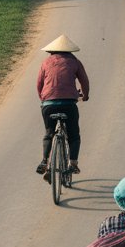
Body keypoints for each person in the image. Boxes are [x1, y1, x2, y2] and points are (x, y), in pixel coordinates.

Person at [35, 33, 89, 177]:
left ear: (51, 51)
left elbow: (39, 85)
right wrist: (86, 96)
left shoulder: (46, 63)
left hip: (48, 104)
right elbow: (84, 82)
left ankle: (45, 161)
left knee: (48, 133)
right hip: (69, 104)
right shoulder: (75, 61)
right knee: (74, 135)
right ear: (69, 50)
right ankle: (73, 164)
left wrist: (44, 100)